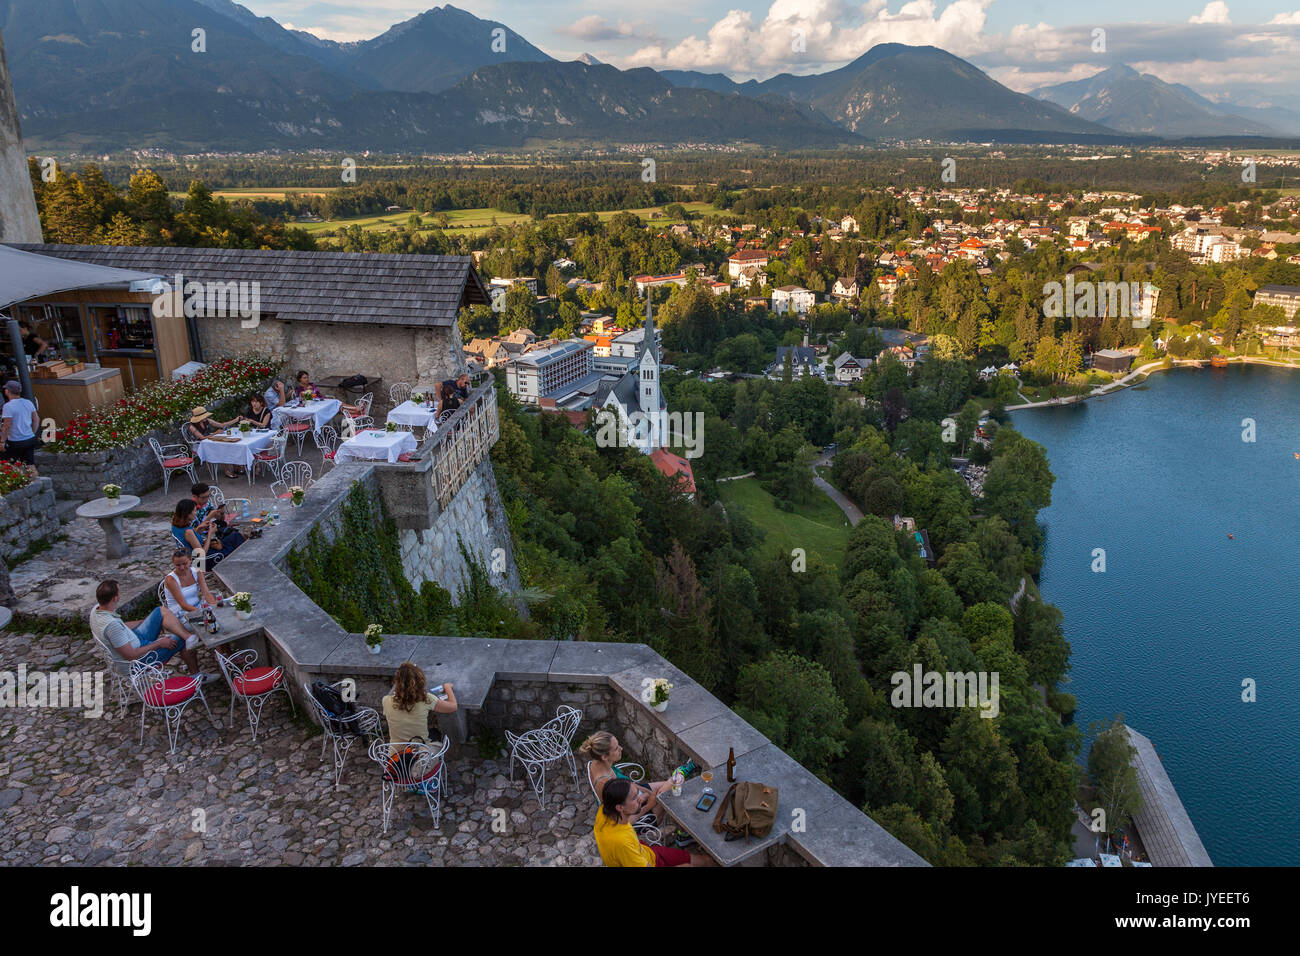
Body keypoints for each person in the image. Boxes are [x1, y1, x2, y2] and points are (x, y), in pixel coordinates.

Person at [89, 579, 216, 682]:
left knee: (160, 611)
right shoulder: (111, 626)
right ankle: (196, 675)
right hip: (138, 662)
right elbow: (131, 655)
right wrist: (159, 643)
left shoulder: (98, 609)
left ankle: (189, 638)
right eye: (119, 592)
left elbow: (123, 626)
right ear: (115, 598)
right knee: (181, 639)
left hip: (134, 638)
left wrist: (146, 621)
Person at [593, 779, 710, 867]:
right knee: (693, 863)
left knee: (704, 860)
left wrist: (647, 803)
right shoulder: (622, 843)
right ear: (619, 807)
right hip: (650, 861)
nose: (639, 798)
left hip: (646, 850)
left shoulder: (605, 811)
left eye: (637, 793)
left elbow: (627, 823)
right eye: (634, 798)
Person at [581, 731, 672, 819]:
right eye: (616, 748)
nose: (621, 748)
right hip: (637, 813)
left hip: (633, 793)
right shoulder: (606, 784)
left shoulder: (598, 761)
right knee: (669, 794)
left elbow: (629, 784)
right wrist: (649, 804)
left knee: (670, 786)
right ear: (604, 757)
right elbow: (623, 819)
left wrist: (647, 793)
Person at [381, 662, 457, 747]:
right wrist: (447, 687)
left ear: (397, 682)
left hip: (396, 755)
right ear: (421, 680)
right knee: (435, 732)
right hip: (419, 754)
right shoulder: (426, 699)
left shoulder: (386, 700)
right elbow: (453, 707)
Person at [162, 548, 220, 617]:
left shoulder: (197, 572)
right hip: (179, 612)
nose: (182, 568)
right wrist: (204, 613)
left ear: (190, 560)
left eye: (184, 563)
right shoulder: (171, 580)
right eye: (178, 565)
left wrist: (215, 608)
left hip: (197, 606)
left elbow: (206, 593)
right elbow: (183, 605)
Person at [1, 380, 40, 465]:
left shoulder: (8, 406)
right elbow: (36, 419)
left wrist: (2, 441)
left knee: (13, 465)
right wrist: (32, 433)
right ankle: (35, 478)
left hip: (15, 441)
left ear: (7, 391)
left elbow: (7, 425)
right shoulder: (28, 402)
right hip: (29, 438)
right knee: (30, 465)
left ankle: (22, 477)